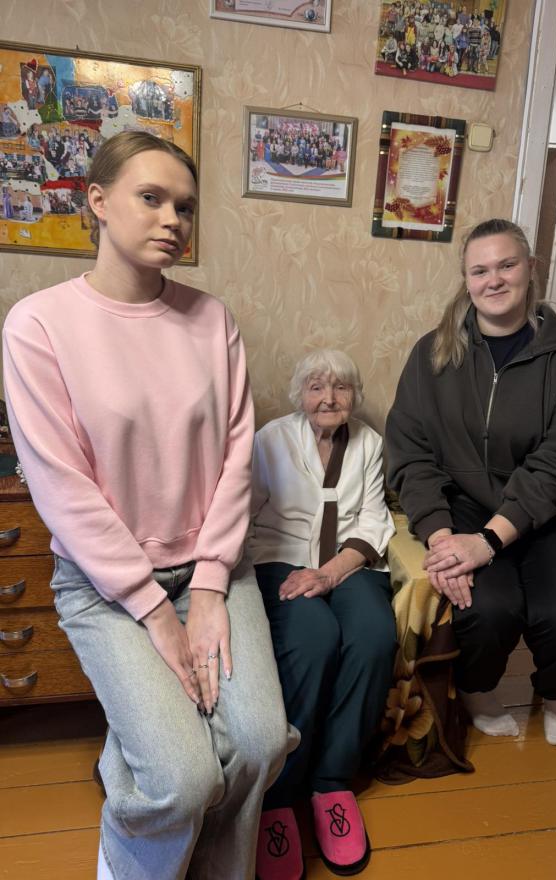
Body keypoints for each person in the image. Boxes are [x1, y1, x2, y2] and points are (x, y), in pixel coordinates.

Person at [2, 130, 294, 880]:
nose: (173, 220)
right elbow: (62, 486)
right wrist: (157, 613)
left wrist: (208, 588)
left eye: (185, 207)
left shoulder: (213, 320)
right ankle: (129, 860)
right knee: (183, 778)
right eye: (152, 198)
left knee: (261, 743)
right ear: (98, 202)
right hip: (107, 586)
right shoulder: (38, 325)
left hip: (214, 569)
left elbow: (237, 456)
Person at [386, 218, 556, 750]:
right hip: (464, 505)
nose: (494, 280)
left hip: (548, 509)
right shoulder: (431, 353)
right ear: (466, 279)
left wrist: (489, 541)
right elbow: (411, 454)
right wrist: (442, 538)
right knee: (487, 609)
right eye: (480, 270)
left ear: (530, 268)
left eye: (507, 265)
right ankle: (479, 690)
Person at [249, 350, 397, 880]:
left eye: (340, 388)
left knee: (375, 636)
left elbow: (374, 518)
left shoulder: (369, 444)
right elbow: (242, 513)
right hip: (282, 559)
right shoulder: (271, 440)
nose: (329, 398)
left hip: (349, 563)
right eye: (316, 387)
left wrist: (331, 573)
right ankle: (279, 794)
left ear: (354, 395)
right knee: (313, 638)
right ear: (300, 395)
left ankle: (331, 783)